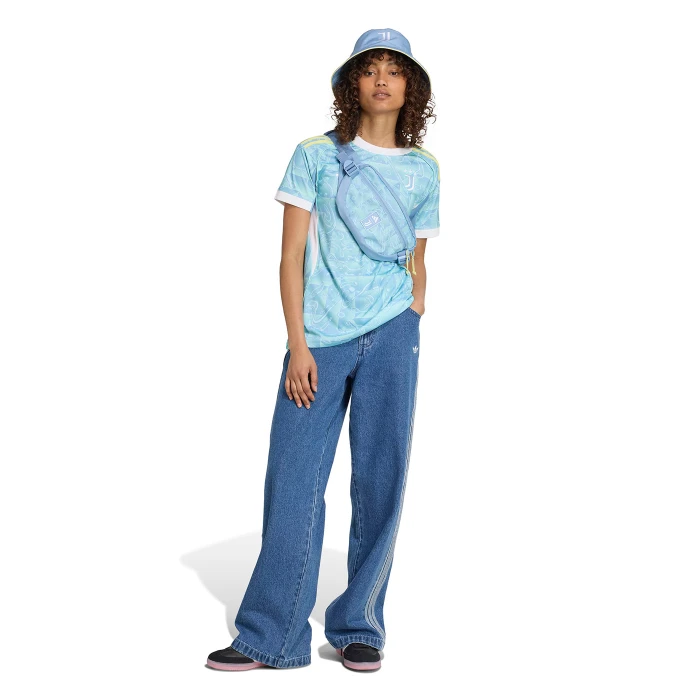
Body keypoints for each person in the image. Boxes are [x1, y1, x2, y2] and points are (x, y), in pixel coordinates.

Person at [206, 27, 440, 673]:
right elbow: (290, 256)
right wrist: (298, 343)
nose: (382, 79)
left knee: (381, 477)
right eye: (370, 68)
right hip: (321, 338)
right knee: (293, 479)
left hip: (394, 332)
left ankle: (360, 625)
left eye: (395, 69)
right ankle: (269, 635)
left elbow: (418, 252)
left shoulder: (424, 168)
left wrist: (416, 303)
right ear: (351, 84)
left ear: (412, 87)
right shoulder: (315, 154)